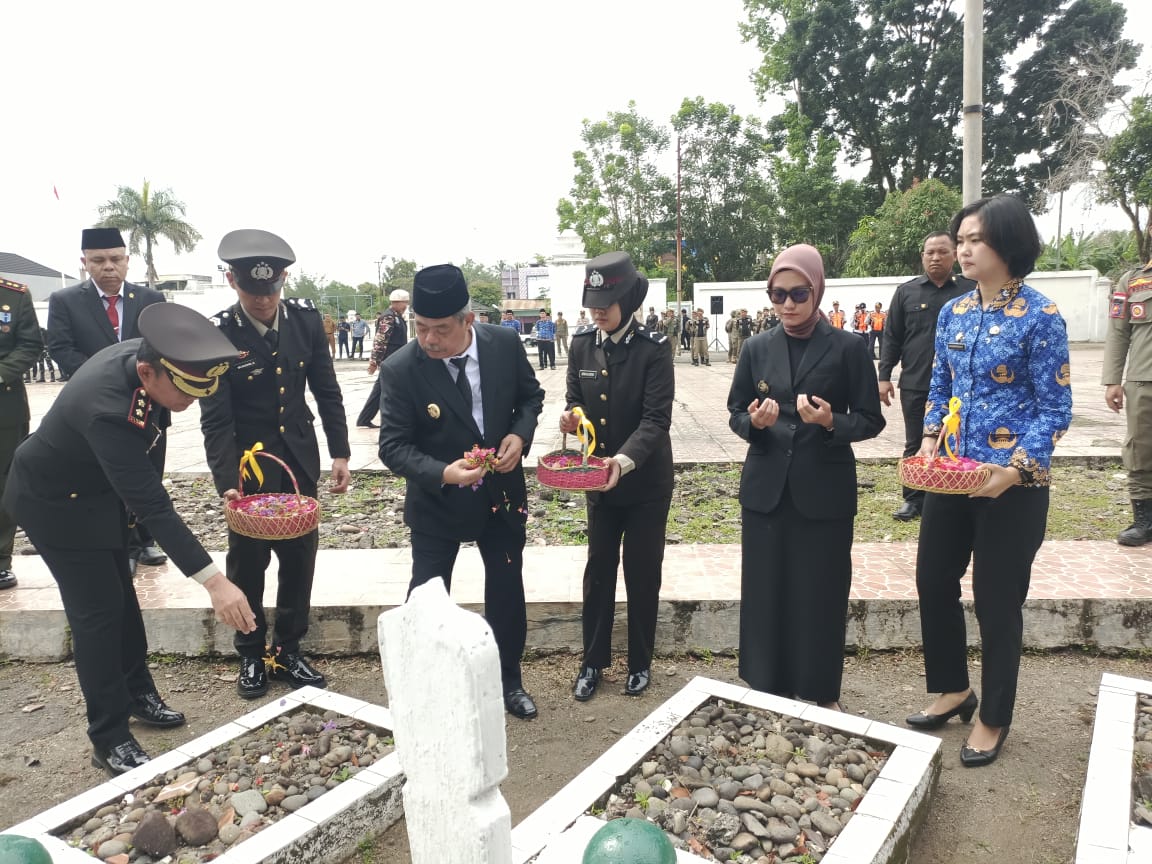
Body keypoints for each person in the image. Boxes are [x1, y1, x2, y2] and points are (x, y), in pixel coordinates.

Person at [2, 303, 257, 775]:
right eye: (185, 392)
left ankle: (138, 692)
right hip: (56, 505)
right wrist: (215, 582)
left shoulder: (150, 359)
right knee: (98, 616)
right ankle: (109, 737)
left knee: (122, 599)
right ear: (147, 372)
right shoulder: (108, 409)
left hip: (99, 493)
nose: (191, 401)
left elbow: (149, 445)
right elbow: (155, 505)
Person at [908, 195, 1071, 768]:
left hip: (1012, 486)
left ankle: (994, 715)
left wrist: (1014, 469)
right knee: (933, 579)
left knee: (997, 600)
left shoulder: (1042, 316)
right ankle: (953, 688)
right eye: (961, 239)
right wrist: (930, 438)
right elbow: (939, 387)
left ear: (1008, 244)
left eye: (975, 239)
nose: (964, 249)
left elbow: (1055, 409)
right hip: (952, 476)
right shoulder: (954, 312)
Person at [378, 264, 544, 721]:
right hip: (438, 501)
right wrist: (444, 474)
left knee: (506, 588)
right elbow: (392, 447)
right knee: (427, 597)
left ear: (468, 320)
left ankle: (508, 680)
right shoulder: (401, 369)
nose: (429, 340)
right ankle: (427, 688)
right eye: (420, 328)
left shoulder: (504, 344)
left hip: (501, 495)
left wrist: (519, 435)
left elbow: (530, 398)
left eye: (441, 329)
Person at [727, 244, 884, 710]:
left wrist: (832, 421)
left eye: (799, 293)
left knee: (820, 591)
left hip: (823, 491)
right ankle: (766, 684)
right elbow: (736, 412)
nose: (788, 304)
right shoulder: (756, 347)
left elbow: (870, 420)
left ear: (817, 290)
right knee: (765, 587)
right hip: (767, 491)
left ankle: (817, 688)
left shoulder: (849, 348)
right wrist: (754, 424)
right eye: (778, 295)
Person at [200, 229, 351, 699]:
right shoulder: (219, 332)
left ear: (283, 279)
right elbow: (216, 418)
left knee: (300, 558)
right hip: (250, 466)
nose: (264, 300)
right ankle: (250, 652)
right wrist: (227, 479)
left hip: (298, 460)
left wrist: (340, 452)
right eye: (253, 291)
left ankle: (288, 648)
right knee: (248, 561)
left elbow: (326, 390)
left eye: (271, 289)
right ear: (232, 281)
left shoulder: (305, 320)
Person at [561, 252, 674, 702]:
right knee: (598, 572)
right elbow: (575, 396)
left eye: (605, 304)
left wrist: (621, 462)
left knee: (643, 573)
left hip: (644, 484)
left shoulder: (654, 348)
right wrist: (573, 417)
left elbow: (655, 420)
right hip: (597, 482)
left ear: (627, 300)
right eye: (592, 304)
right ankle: (592, 661)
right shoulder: (581, 344)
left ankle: (640, 662)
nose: (597, 312)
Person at [47, 227, 169, 573]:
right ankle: (122, 545)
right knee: (109, 476)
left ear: (127, 261)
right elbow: (61, 348)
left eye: (115, 259)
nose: (108, 267)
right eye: (98, 260)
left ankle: (146, 539)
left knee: (149, 473)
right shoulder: (66, 301)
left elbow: (163, 346)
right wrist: (107, 380)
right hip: (98, 408)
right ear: (84, 263)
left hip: (149, 403)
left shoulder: (151, 299)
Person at [879, 232, 975, 521]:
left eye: (942, 252)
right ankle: (913, 499)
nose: (935, 258)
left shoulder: (971, 290)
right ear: (922, 257)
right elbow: (892, 337)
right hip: (917, 382)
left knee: (958, 442)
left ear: (954, 255)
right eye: (929, 252)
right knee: (915, 441)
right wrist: (884, 376)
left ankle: (953, 496)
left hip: (961, 386)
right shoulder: (906, 292)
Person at [1102, 255, 1152, 545]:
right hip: (1144, 380)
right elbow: (1118, 332)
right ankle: (1144, 521)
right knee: (1140, 450)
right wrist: (1112, 380)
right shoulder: (1133, 281)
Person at [0, 278, 42, 590]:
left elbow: (30, 345)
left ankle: (0, 561)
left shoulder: (13, 295)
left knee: (3, 484)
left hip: (5, 406)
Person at [357, 289, 410, 429]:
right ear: (396, 302)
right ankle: (367, 418)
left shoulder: (397, 317)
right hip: (390, 360)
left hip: (396, 360)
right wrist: (374, 361)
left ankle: (365, 418)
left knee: (383, 389)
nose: (406, 306)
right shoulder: (388, 317)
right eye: (404, 303)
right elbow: (380, 340)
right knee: (383, 389)